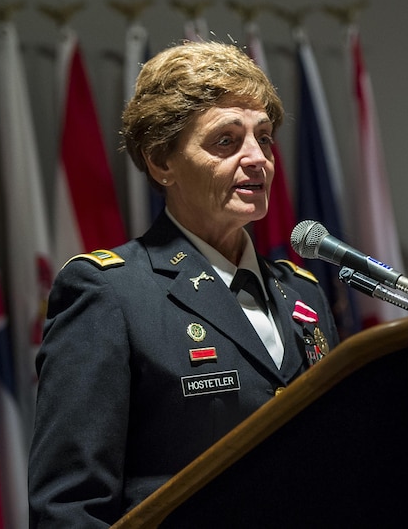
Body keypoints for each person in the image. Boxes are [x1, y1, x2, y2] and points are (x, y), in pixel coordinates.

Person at [28, 41, 340, 527]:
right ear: (161, 162)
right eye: (226, 140)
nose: (257, 158)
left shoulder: (303, 293)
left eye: (265, 138)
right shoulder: (110, 293)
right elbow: (69, 508)